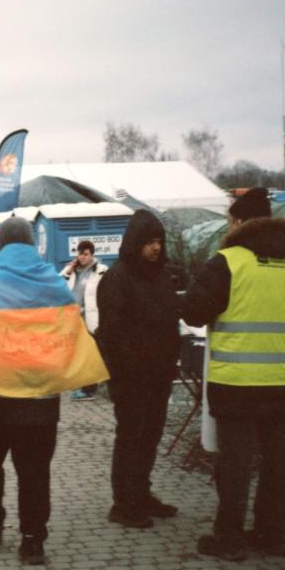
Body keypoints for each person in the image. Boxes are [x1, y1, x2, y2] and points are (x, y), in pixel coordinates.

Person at [0, 217, 109, 565]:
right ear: (31, 244)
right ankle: (32, 540)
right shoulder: (54, 284)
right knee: (35, 472)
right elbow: (71, 334)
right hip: (40, 402)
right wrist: (81, 376)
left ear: (1, 246)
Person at [181, 188, 285, 560]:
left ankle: (229, 539)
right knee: (278, 462)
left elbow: (194, 313)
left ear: (239, 224)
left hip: (238, 383)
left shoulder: (228, 262)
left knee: (236, 463)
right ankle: (272, 536)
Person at [96, 210, 180, 529]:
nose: (156, 248)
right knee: (131, 437)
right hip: (131, 376)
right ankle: (124, 502)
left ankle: (141, 493)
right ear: (135, 244)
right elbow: (110, 331)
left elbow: (170, 318)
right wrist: (123, 369)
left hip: (159, 373)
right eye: (149, 242)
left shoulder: (161, 276)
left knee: (150, 436)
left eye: (159, 241)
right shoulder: (118, 278)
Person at [60, 240, 109, 401]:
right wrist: (68, 269)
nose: (82, 257)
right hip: (76, 319)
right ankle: (86, 386)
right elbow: (58, 284)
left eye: (85, 254)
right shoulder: (74, 271)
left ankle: (90, 389)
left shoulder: (100, 271)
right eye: (80, 254)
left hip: (92, 319)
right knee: (81, 354)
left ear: (92, 254)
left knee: (94, 354)